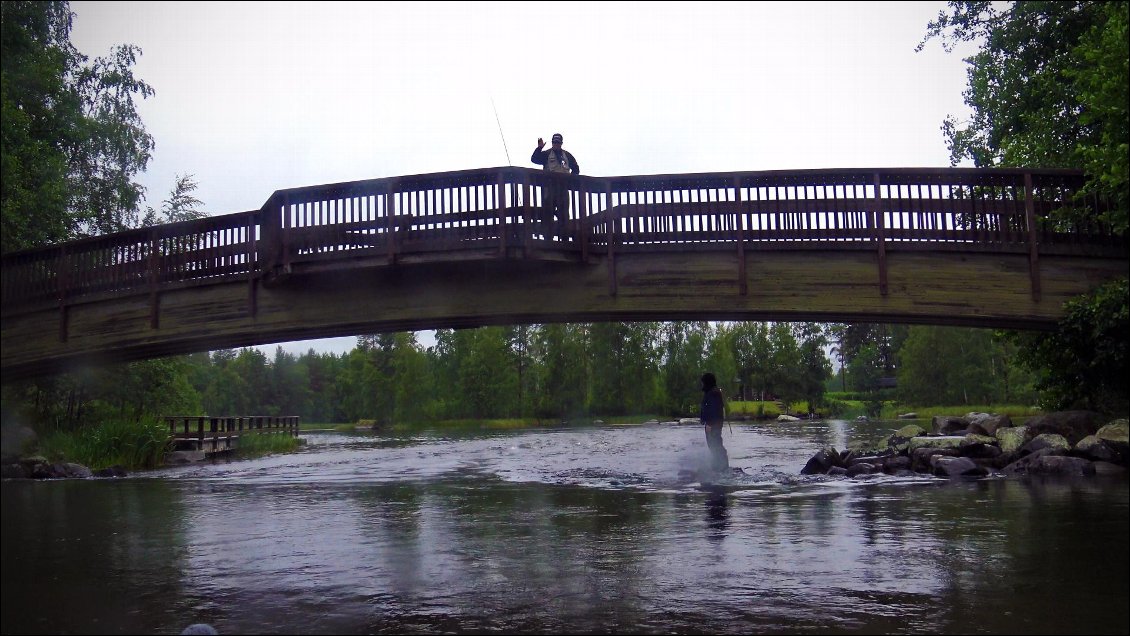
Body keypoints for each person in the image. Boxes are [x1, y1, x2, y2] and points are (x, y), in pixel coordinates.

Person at [530, 133, 580, 240]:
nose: (556, 144)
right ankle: (548, 238)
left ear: (561, 143)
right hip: (549, 189)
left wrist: (571, 179)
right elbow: (534, 159)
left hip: (563, 189)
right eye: (554, 142)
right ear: (552, 142)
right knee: (548, 213)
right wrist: (539, 148)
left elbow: (576, 168)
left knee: (564, 215)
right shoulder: (547, 154)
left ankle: (564, 239)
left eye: (558, 142)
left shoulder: (567, 155)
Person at [700, 372, 729, 472]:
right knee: (714, 444)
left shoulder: (713, 393)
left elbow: (714, 410)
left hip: (713, 425)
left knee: (715, 444)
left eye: (703, 382)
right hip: (714, 424)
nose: (702, 385)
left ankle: (721, 467)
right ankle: (718, 466)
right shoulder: (713, 392)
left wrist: (709, 424)